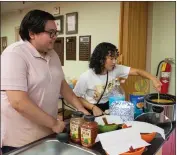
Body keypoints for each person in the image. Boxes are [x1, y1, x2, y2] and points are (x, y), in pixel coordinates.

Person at [1, 10, 89, 154]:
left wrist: (83, 111)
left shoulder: (53, 54)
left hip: (47, 134)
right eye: (51, 33)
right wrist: (54, 123)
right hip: (21, 141)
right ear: (32, 33)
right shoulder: (14, 54)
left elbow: (63, 86)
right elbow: (18, 102)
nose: (55, 37)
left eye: (56, 32)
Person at [73, 42, 162, 116]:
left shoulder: (115, 69)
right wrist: (93, 107)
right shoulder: (86, 76)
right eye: (111, 59)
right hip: (90, 108)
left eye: (115, 58)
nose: (114, 62)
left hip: (107, 107)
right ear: (101, 59)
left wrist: (153, 79)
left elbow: (137, 72)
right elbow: (76, 96)